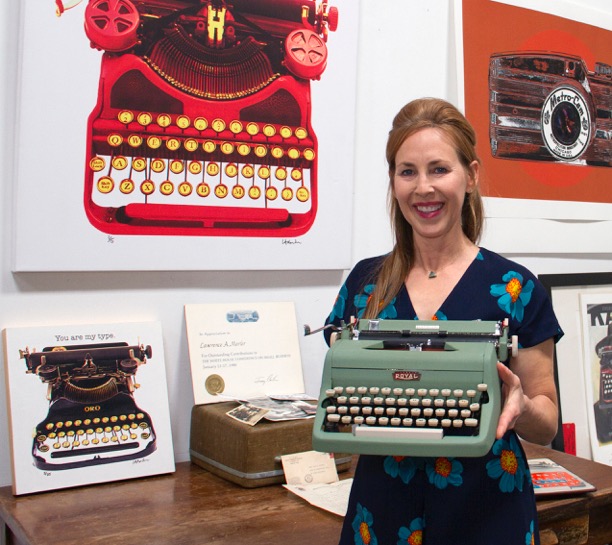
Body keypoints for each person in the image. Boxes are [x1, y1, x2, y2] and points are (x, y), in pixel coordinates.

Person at [323, 97, 563, 545]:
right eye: (407, 171)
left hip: (488, 504)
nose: (423, 188)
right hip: (383, 505)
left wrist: (523, 407)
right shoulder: (364, 283)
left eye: (439, 169)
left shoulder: (517, 288)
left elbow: (546, 423)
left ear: (470, 176)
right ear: (393, 181)